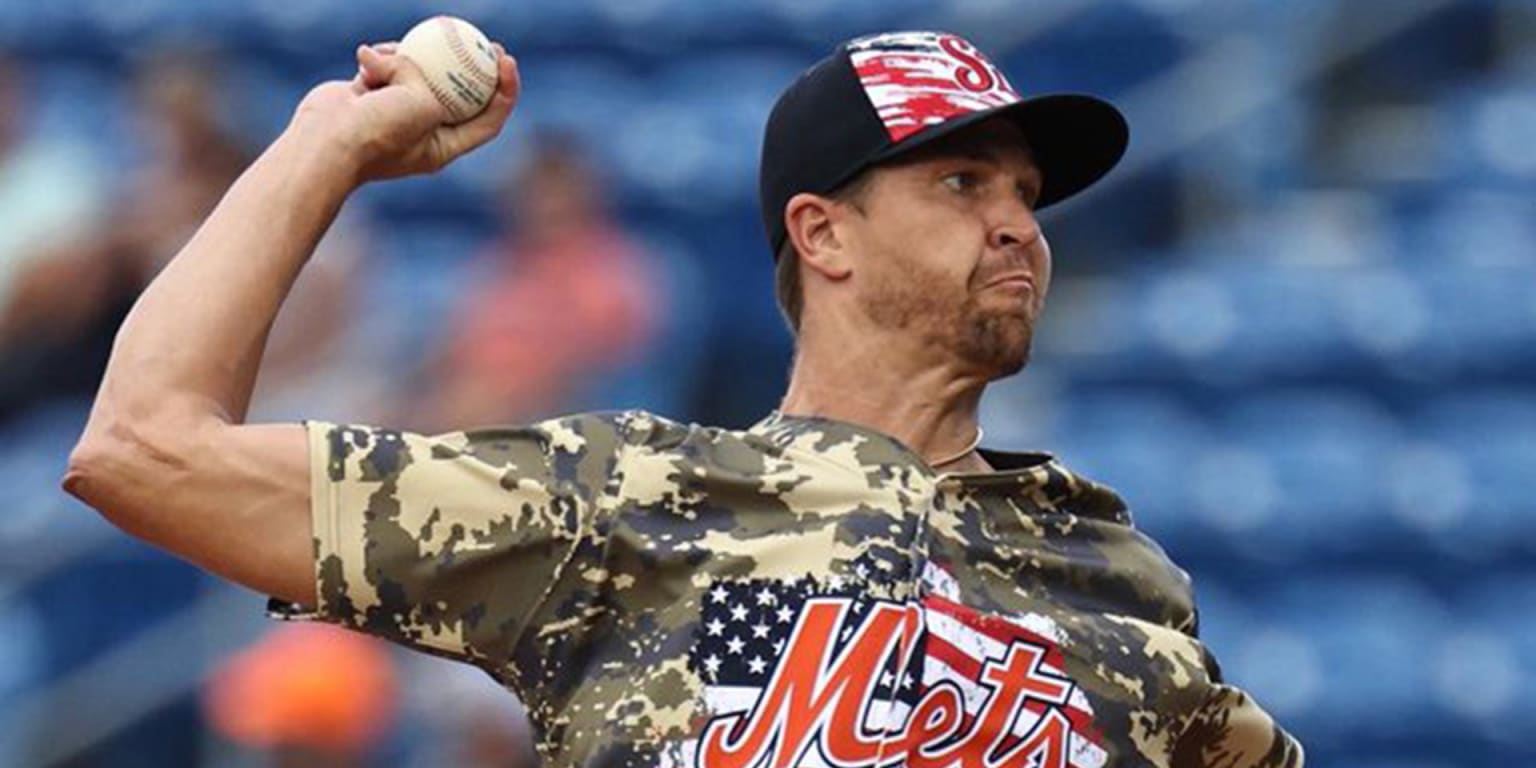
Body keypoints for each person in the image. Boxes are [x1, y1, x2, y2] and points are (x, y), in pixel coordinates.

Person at [63, 31, 1303, 768]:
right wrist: (326, 144)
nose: (1019, 227)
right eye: (965, 183)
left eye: (1028, 193)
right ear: (824, 234)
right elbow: (145, 447)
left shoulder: (1113, 574)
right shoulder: (627, 503)